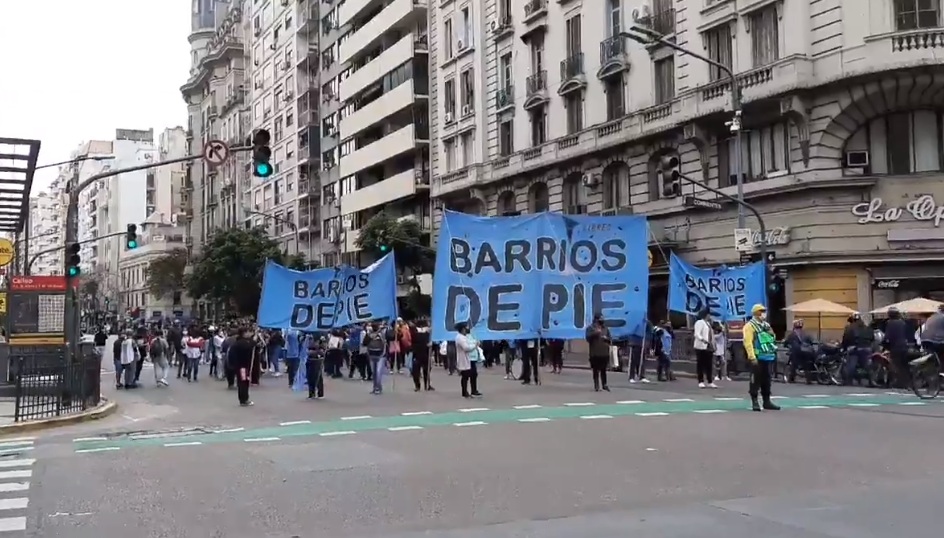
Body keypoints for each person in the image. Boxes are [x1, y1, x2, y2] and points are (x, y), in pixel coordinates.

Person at [743, 304, 781, 412]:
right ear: (756, 313)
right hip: (756, 357)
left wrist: (772, 334)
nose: (764, 313)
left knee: (767, 379)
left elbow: (772, 337)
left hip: (767, 356)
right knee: (755, 379)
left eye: (764, 311)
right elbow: (748, 342)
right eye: (761, 311)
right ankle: (755, 401)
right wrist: (752, 356)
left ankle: (766, 401)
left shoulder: (766, 325)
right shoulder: (750, 326)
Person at [841, 312, 874, 386]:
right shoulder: (866, 327)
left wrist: (843, 347)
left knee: (851, 364)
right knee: (867, 365)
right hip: (867, 348)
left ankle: (849, 381)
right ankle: (871, 381)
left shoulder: (850, 328)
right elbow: (872, 338)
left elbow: (846, 339)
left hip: (855, 348)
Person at [883, 306, 910, 388]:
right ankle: (905, 383)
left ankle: (891, 383)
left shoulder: (890, 323)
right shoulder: (902, 322)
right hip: (904, 346)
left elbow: (888, 337)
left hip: (895, 347)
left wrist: (885, 345)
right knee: (904, 366)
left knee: (893, 365)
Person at [454, 322, 482, 398]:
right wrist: (474, 346)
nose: (467, 329)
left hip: (467, 359)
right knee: (465, 376)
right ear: (462, 329)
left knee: (469, 375)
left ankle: (469, 391)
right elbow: (466, 348)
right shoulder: (460, 338)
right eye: (465, 328)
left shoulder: (463, 337)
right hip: (463, 359)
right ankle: (464, 392)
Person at [230, 326, 255, 406]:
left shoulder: (240, 342)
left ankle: (244, 399)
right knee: (243, 382)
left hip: (243, 366)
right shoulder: (241, 343)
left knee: (244, 381)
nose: (249, 334)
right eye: (248, 332)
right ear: (244, 333)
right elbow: (249, 346)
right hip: (242, 366)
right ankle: (244, 399)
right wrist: (253, 340)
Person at [785, 319, 816, 384]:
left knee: (794, 364)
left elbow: (786, 343)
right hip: (807, 351)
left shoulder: (792, 334)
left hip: (796, 351)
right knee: (806, 365)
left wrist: (787, 345)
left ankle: (791, 379)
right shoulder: (806, 333)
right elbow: (811, 342)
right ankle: (808, 380)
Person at [585, 314, 611, 392]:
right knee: (595, 370)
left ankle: (604, 384)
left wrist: (606, 338)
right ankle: (596, 385)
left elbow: (610, 339)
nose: (602, 320)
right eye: (600, 318)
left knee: (603, 370)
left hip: (604, 352)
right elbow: (588, 338)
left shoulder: (605, 329)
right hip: (595, 353)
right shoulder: (590, 328)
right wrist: (596, 333)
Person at [693, 309, 716, 388]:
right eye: (709, 314)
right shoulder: (699, 322)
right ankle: (701, 381)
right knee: (701, 364)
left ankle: (710, 381)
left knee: (709, 364)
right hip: (701, 346)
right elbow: (697, 334)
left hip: (708, 346)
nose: (710, 316)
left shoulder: (708, 324)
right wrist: (702, 339)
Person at [411, 318, 434, 392]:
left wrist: (430, 344)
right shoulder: (415, 333)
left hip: (423, 354)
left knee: (425, 371)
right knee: (417, 372)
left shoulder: (427, 334)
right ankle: (419, 385)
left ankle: (426, 385)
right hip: (419, 354)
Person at [364, 322, 387, 395]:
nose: (374, 327)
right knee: (374, 372)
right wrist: (369, 336)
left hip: (380, 355)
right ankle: (375, 387)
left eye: (375, 326)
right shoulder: (369, 334)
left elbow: (385, 343)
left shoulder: (381, 334)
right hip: (371, 354)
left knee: (378, 372)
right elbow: (364, 343)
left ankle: (377, 388)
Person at [305, 334, 326, 399]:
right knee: (310, 377)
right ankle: (311, 393)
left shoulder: (321, 341)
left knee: (318, 377)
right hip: (309, 360)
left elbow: (322, 351)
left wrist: (312, 352)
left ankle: (320, 393)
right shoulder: (307, 339)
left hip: (318, 360)